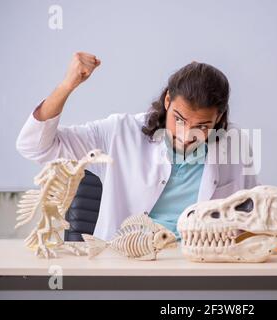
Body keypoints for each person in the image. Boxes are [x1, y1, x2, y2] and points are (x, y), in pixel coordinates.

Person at [16, 52, 258, 240]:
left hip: (198, 266)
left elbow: (250, 215)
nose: (186, 136)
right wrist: (67, 85)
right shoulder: (120, 133)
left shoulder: (234, 143)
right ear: (167, 101)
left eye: (203, 126)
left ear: (219, 118)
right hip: (128, 264)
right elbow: (35, 146)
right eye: (180, 120)